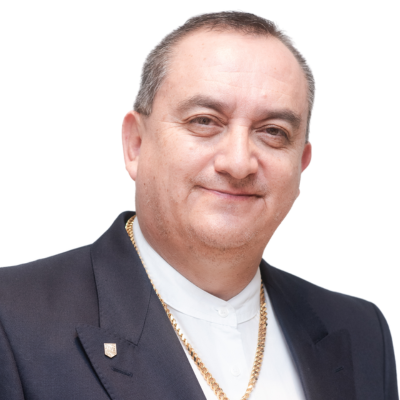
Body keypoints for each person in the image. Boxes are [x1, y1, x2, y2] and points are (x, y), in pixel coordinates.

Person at [0, 11, 397, 400]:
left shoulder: (362, 333)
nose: (238, 163)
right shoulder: (12, 319)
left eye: (273, 132)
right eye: (204, 121)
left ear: (300, 165)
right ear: (136, 144)